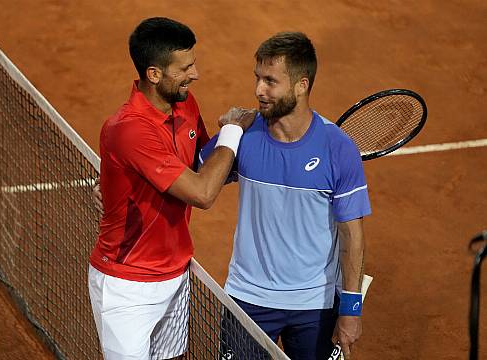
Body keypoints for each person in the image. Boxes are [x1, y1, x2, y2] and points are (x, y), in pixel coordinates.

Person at [87, 17, 255, 360]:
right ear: (154, 74)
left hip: (176, 273)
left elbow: (208, 167)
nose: (195, 74)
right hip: (128, 285)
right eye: (185, 68)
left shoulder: (185, 104)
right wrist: (233, 131)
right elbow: (203, 192)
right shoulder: (129, 129)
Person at [199, 32, 371, 360]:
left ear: (301, 85)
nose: (258, 90)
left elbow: (353, 236)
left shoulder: (337, 147)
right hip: (248, 299)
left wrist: (351, 310)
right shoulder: (242, 134)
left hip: (315, 305)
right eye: (257, 78)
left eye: (270, 81)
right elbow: (191, 180)